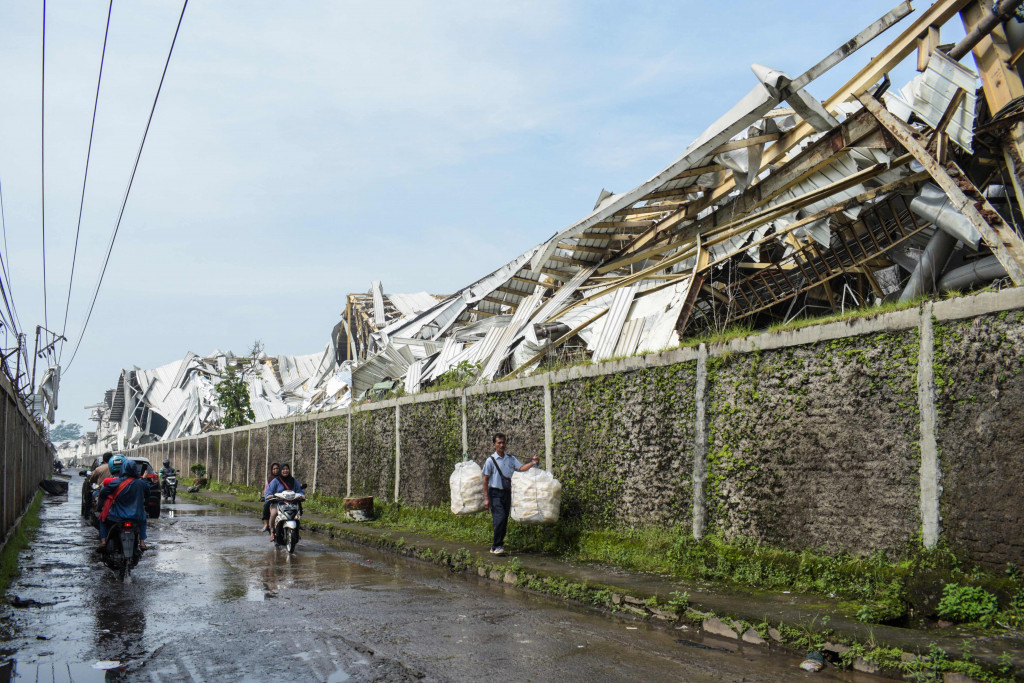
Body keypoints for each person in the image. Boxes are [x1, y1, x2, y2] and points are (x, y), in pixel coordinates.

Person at [481, 433, 539, 556]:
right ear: (494, 445)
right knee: (499, 518)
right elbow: (485, 479)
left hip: (507, 493)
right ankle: (496, 546)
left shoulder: (511, 458)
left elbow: (522, 468)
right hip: (495, 493)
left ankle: (498, 545)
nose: (501, 445)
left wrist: (533, 463)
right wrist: (486, 499)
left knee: (504, 519)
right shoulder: (490, 461)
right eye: (499, 443)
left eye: (503, 442)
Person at [97, 456, 150, 551]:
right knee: (143, 521)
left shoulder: (115, 482)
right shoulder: (141, 484)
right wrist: (145, 479)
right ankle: (142, 543)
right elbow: (148, 493)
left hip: (117, 516)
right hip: (137, 517)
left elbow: (103, 494)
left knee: (102, 520)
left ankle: (103, 541)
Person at [265, 463, 304, 541]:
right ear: (280, 471)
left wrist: (302, 495)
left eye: (287, 469)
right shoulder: (275, 481)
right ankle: (272, 532)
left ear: (289, 470)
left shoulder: (293, 480)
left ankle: (296, 532)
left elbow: (299, 490)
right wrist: (270, 495)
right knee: (274, 513)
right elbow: (269, 492)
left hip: (291, 503)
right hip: (278, 503)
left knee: (297, 514)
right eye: (283, 469)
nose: (285, 471)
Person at [261, 462, 281, 532]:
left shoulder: (284, 478)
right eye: (274, 469)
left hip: (283, 499)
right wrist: (268, 496)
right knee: (266, 506)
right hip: (273, 499)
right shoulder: (270, 479)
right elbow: (266, 490)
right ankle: (266, 524)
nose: (276, 470)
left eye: (277, 468)